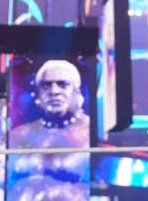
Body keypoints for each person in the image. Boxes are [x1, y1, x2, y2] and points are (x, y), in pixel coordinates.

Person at [9, 60, 90, 200]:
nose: (54, 91)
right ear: (38, 94)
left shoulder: (92, 132)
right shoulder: (18, 135)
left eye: (63, 84)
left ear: (77, 91)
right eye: (46, 85)